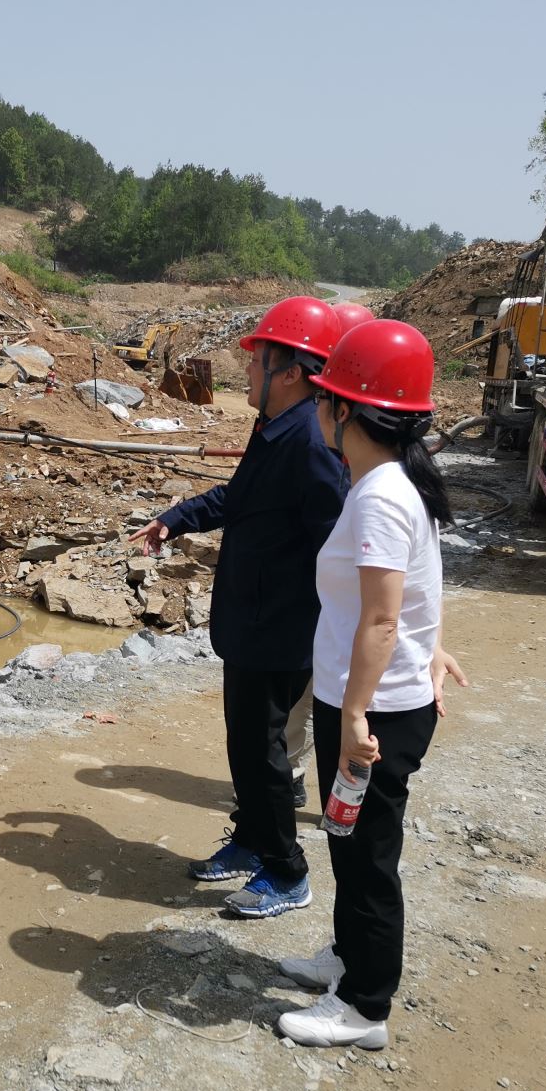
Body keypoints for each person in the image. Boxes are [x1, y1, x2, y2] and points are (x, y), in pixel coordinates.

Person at [275, 318, 467, 1048]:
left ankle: (364, 1007)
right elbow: (413, 593)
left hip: (372, 711)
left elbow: (384, 619)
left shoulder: (381, 496)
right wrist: (432, 646)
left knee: (367, 856)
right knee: (347, 839)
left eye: (324, 398)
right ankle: (347, 956)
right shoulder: (392, 483)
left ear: (346, 409)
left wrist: (355, 714)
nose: (318, 409)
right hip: (370, 700)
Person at [131, 296, 346, 919]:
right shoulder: (275, 428)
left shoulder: (311, 443)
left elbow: (335, 543)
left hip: (281, 625)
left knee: (263, 750)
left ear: (291, 372)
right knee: (247, 744)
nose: (246, 370)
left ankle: (286, 871)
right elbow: (241, 497)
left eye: (257, 360)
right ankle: (251, 840)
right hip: (252, 620)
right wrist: (176, 518)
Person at [279, 298, 379, 806]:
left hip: (339, 593)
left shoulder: (363, 459)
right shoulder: (344, 436)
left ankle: (312, 780)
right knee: (320, 691)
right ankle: (304, 777)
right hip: (339, 590)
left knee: (328, 692)